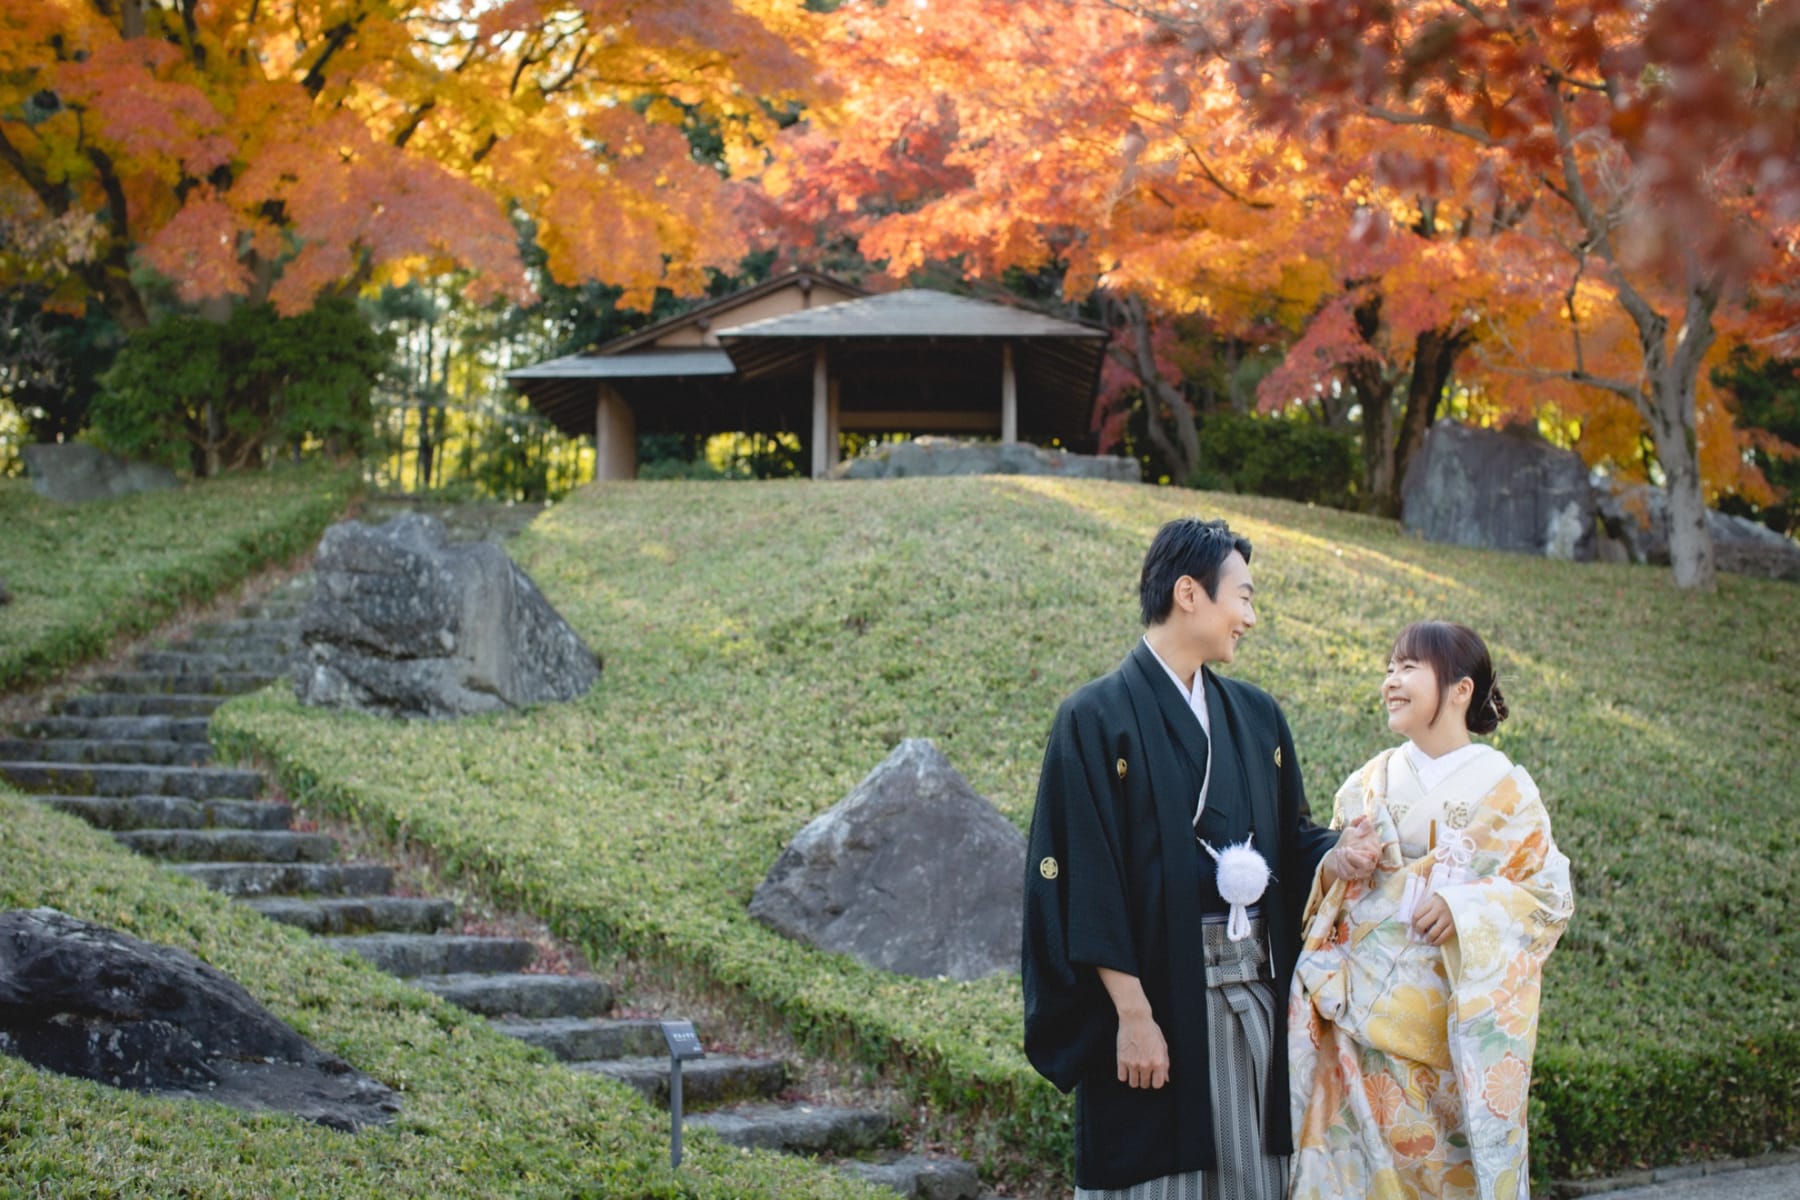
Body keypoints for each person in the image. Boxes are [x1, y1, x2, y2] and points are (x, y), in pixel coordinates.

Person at [1022, 517, 1378, 1199]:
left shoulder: (1257, 716)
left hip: (1252, 1001)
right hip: (1153, 1001)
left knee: (1255, 1178)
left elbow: (1290, 837)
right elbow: (1086, 880)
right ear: (1189, 593)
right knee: (1157, 1179)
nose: (1251, 617)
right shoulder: (1094, 718)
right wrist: (1132, 1016)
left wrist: (1335, 856)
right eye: (1243, 596)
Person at [1287, 621, 1574, 1200]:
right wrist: (1336, 864)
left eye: (1409, 667)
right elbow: (1325, 881)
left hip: (1445, 1042)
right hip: (1354, 1030)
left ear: (1461, 690)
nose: (1391, 681)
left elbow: (1547, 899)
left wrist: (1465, 907)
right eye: (1390, 668)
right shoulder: (1371, 780)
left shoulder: (1507, 792)